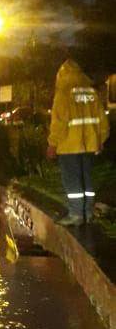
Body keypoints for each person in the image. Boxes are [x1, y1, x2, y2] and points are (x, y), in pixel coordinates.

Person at [47, 59, 110, 226]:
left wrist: (52, 144)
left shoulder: (63, 92)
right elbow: (102, 120)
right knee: (86, 178)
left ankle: (76, 214)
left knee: (72, 179)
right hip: (89, 144)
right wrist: (100, 140)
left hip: (69, 146)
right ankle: (88, 212)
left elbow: (59, 122)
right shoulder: (91, 91)